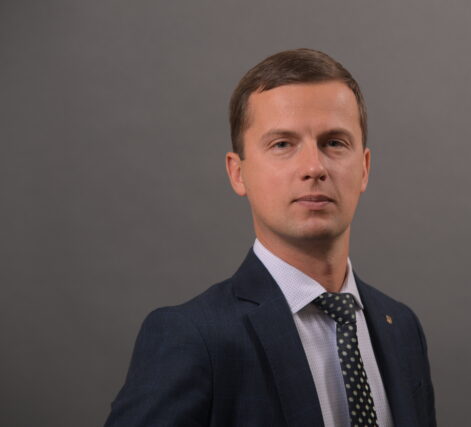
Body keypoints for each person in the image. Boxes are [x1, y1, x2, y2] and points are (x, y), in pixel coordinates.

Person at [105, 48, 436, 427]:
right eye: (282, 144)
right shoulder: (193, 337)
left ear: (364, 168)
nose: (314, 167)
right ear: (238, 173)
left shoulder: (402, 328)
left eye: (334, 142)